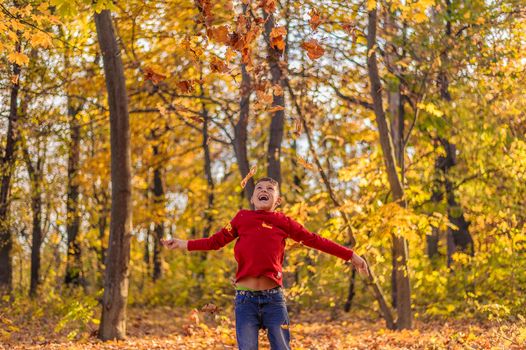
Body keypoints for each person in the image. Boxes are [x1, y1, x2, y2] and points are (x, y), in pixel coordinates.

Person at [161, 177, 369, 350]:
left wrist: (351, 256)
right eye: (259, 188)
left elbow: (315, 240)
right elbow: (215, 242)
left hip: (274, 301)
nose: (264, 190)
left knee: (281, 347)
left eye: (270, 189)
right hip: (245, 301)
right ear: (252, 198)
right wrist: (183, 244)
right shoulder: (241, 218)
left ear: (277, 200)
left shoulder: (284, 222)